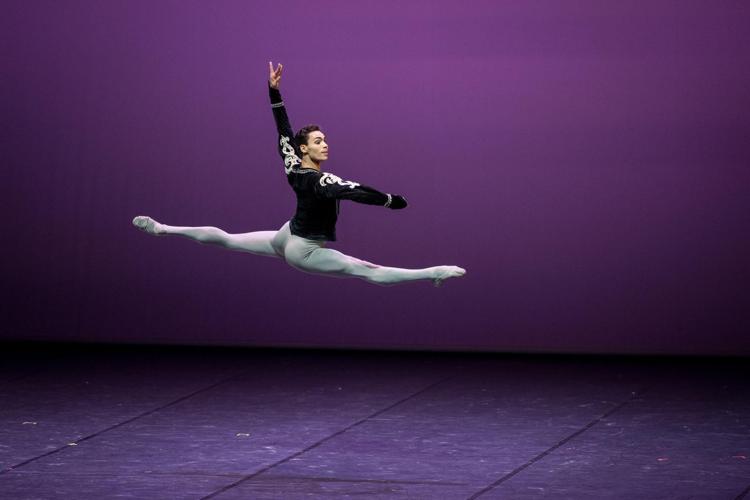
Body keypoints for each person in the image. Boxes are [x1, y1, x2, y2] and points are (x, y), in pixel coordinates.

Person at [132, 62, 465, 287]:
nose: (325, 145)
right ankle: (433, 273)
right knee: (367, 271)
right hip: (303, 250)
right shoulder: (321, 181)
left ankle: (164, 229)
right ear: (305, 148)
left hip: (286, 234)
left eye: (325, 140)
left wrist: (274, 93)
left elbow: (283, 130)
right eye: (318, 141)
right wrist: (393, 201)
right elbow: (357, 191)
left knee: (228, 239)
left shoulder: (293, 165)